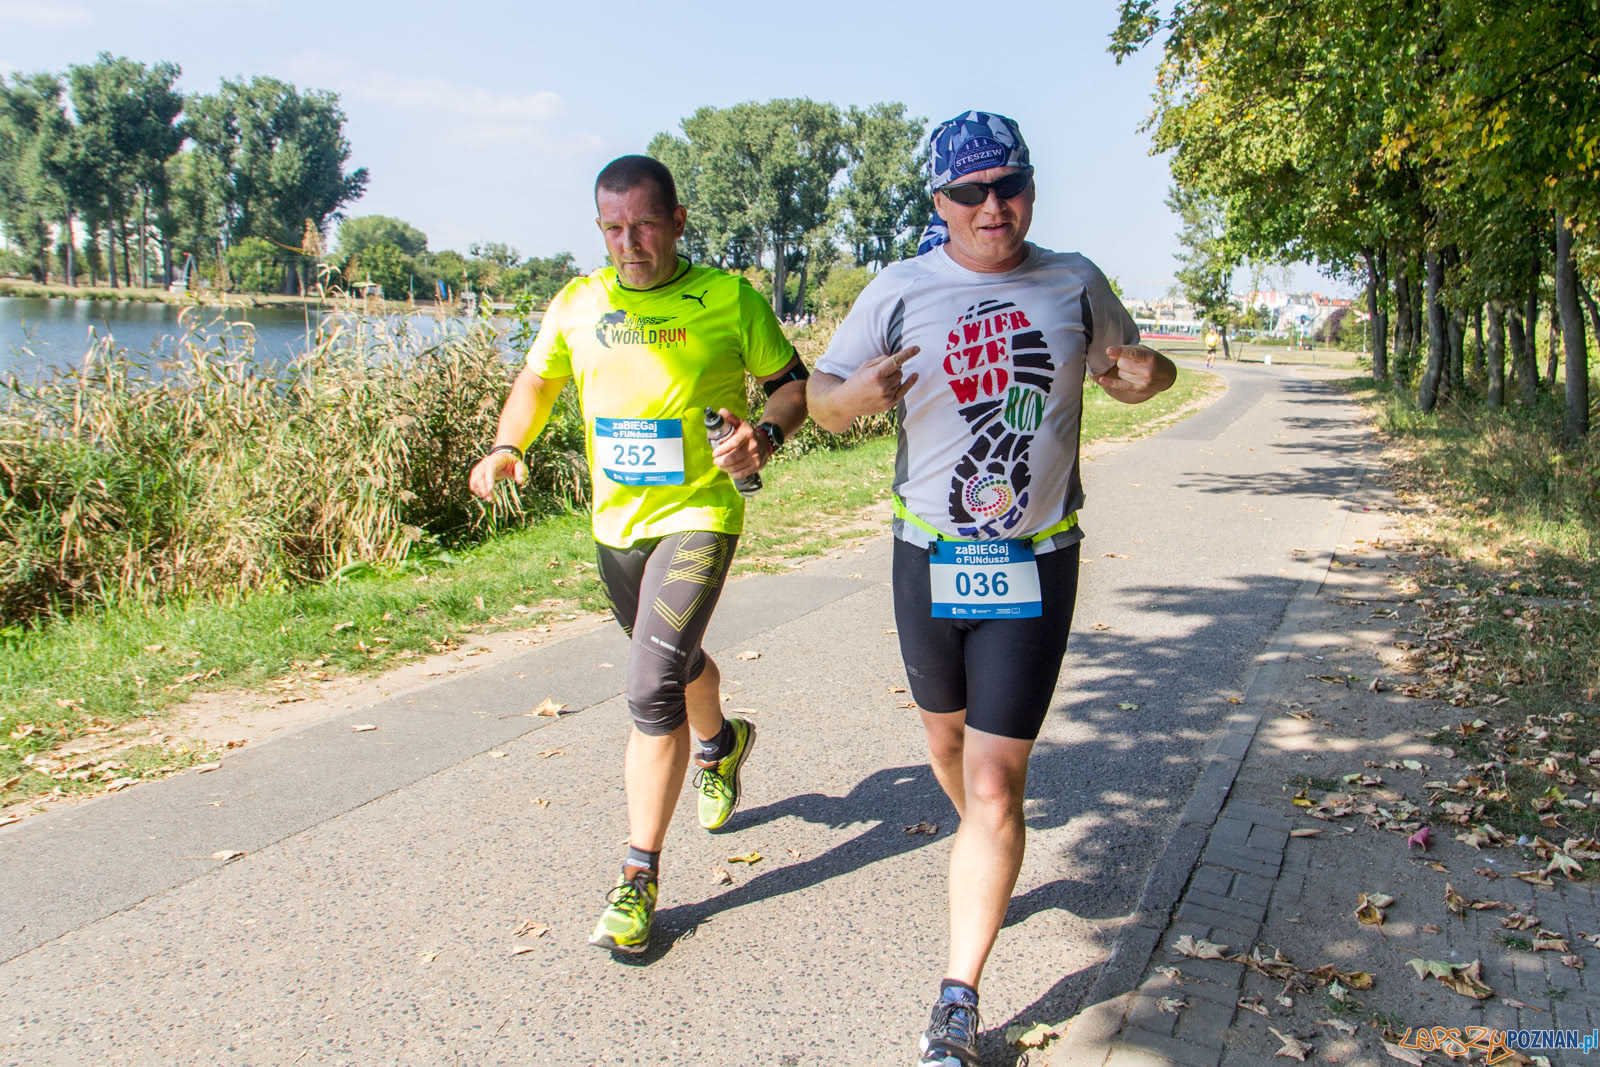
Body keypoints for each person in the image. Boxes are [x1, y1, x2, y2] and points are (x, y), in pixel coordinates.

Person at [807, 111, 1176, 1067]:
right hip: (927, 554)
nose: (990, 206)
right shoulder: (900, 286)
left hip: (1035, 557)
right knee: (945, 740)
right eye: (968, 192)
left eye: (1005, 185)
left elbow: (1133, 370)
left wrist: (1146, 373)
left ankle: (957, 999)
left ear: (1031, 188)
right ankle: (988, 844)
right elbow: (821, 397)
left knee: (992, 779)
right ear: (940, 201)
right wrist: (856, 399)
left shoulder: (1075, 278)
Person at [469, 154, 810, 955]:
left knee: (651, 685)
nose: (631, 243)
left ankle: (637, 875)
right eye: (614, 228)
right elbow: (536, 380)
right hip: (616, 528)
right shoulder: (579, 302)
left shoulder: (728, 298)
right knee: (677, 664)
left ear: (678, 220)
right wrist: (507, 445)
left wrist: (765, 436)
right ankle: (724, 743)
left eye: (646, 224)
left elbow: (793, 385)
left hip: (700, 514)